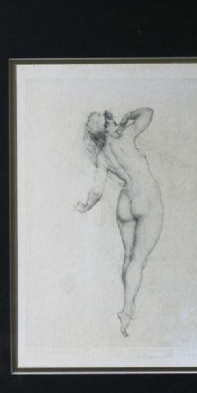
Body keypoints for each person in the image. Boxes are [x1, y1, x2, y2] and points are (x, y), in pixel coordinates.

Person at [75, 108, 163, 337]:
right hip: (146, 196)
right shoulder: (126, 135)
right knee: (138, 260)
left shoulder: (102, 156)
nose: (115, 122)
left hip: (125, 203)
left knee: (128, 258)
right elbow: (148, 113)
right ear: (107, 128)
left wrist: (85, 206)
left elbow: (97, 190)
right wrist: (130, 115)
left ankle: (128, 304)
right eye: (110, 121)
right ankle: (126, 312)